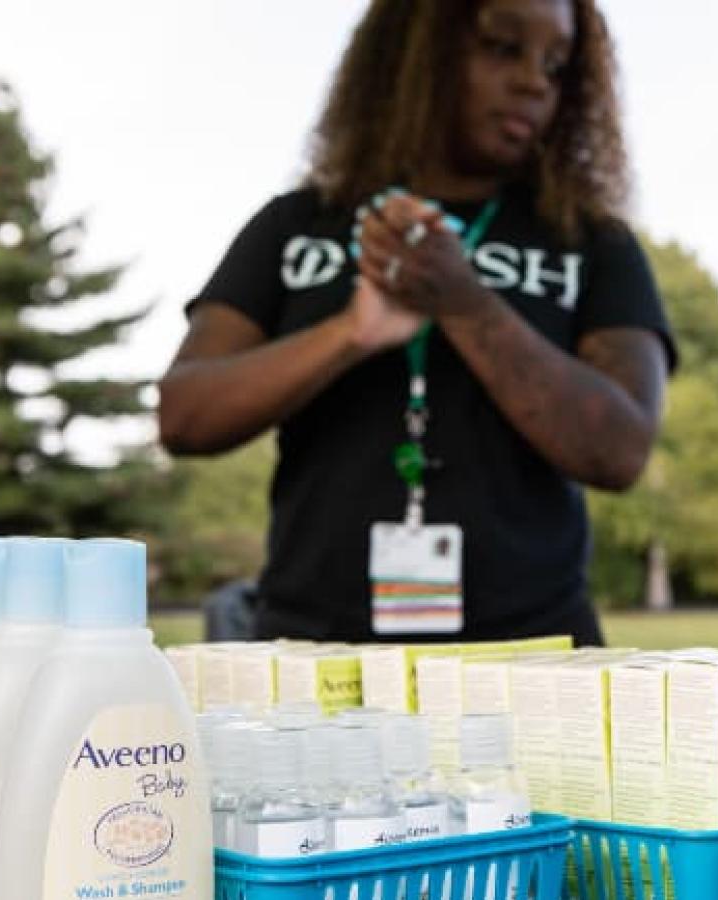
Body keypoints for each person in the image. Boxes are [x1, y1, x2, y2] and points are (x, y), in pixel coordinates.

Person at [158, 0, 676, 646]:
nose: (533, 81)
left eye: (556, 64)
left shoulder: (591, 242)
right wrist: (349, 333)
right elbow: (182, 416)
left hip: (532, 664)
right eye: (501, 48)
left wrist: (462, 300)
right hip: (313, 658)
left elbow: (620, 449)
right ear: (412, 53)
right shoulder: (297, 225)